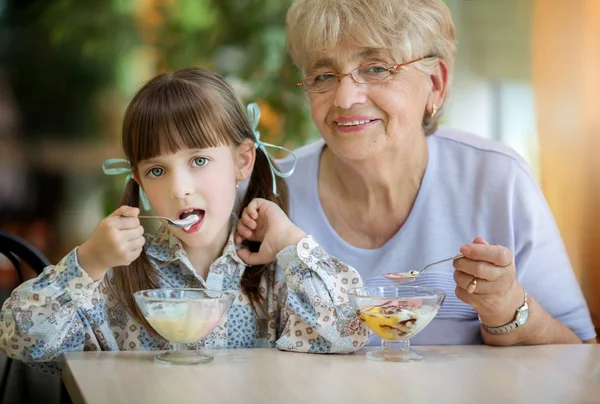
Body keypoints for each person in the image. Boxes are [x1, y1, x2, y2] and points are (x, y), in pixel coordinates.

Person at [0, 67, 367, 374]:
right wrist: (87, 263)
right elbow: (23, 341)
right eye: (157, 170)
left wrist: (290, 241)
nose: (179, 189)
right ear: (140, 181)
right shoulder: (113, 277)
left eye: (199, 161)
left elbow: (348, 330)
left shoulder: (279, 273)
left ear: (242, 161)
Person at [279, 0, 596, 346]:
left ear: (435, 82)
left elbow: (579, 357)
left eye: (376, 68)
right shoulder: (273, 189)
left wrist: (505, 308)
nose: (344, 97)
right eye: (324, 75)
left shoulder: (497, 180)